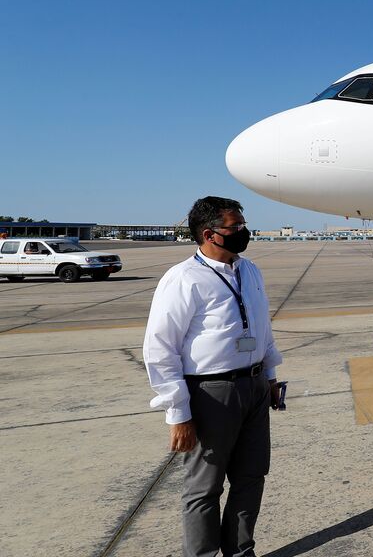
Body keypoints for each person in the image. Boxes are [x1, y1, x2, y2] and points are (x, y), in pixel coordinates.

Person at [143, 196, 285, 557]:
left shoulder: (249, 270)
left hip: (253, 386)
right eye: (235, 228)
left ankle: (240, 550)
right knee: (203, 488)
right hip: (210, 393)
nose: (243, 232)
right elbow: (160, 349)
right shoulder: (183, 279)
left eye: (242, 225)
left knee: (251, 477)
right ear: (209, 234)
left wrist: (269, 376)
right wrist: (178, 414)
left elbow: (262, 327)